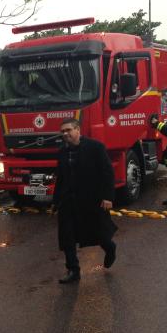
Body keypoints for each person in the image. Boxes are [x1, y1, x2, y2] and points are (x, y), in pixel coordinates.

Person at [52, 117, 117, 284]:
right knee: (67, 236)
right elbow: (61, 178)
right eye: (63, 131)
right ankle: (73, 270)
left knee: (100, 233)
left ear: (78, 130)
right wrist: (56, 201)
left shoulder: (95, 147)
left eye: (68, 130)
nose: (65, 133)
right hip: (68, 201)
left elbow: (107, 172)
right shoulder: (61, 152)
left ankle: (110, 248)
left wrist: (108, 197)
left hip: (91, 199)